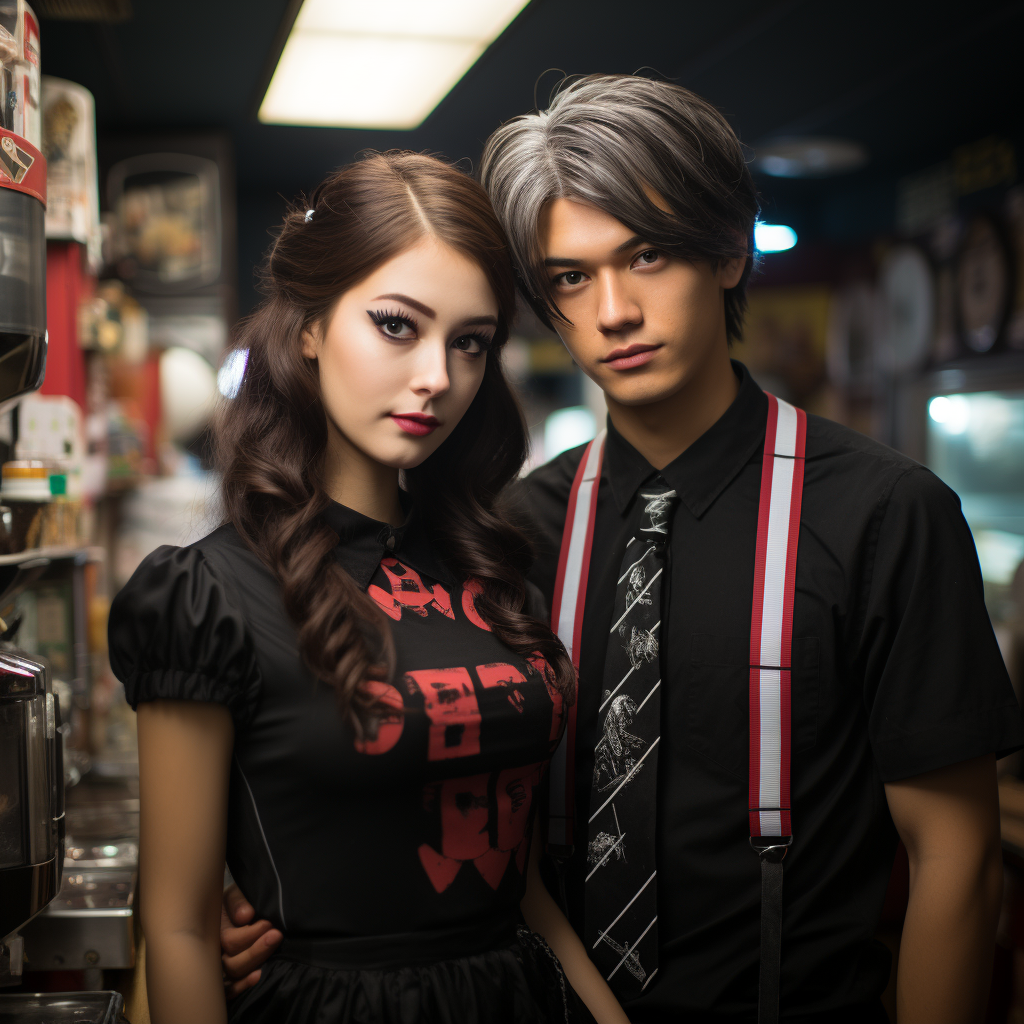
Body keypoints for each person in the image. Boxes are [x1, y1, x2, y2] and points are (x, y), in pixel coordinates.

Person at [222, 80, 1022, 1023]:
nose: (613, 311)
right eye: (569, 277)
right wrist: (271, 895)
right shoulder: (506, 528)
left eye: (648, 255)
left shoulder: (886, 516)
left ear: (729, 253)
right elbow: (414, 780)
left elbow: (958, 865)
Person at [108, 152, 631, 1024]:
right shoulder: (209, 597)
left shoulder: (495, 573)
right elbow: (181, 929)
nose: (438, 376)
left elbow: (522, 885)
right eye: (398, 325)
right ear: (310, 327)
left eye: (470, 342)